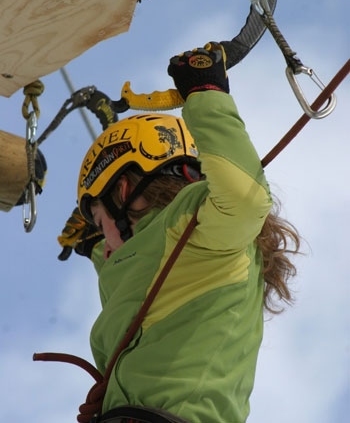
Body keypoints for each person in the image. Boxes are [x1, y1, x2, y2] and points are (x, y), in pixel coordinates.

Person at [56, 42, 300, 423]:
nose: (105, 245)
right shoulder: (164, 257)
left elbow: (244, 197)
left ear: (122, 193)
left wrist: (206, 95)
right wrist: (93, 245)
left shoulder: (198, 228)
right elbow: (134, 280)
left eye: (100, 219)